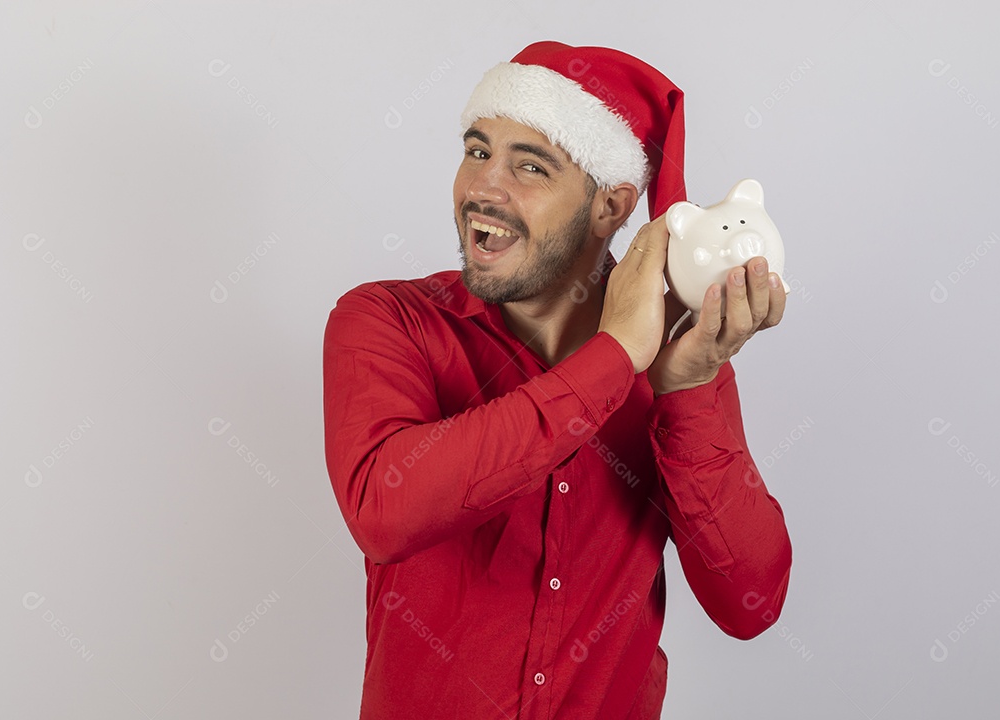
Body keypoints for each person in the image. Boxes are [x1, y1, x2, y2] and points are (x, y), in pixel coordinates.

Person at [323, 41, 792, 720]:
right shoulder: (387, 321)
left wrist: (690, 387)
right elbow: (385, 512)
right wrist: (610, 358)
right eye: (477, 150)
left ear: (610, 207)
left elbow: (751, 601)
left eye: (530, 166)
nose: (484, 186)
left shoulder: (673, 362)